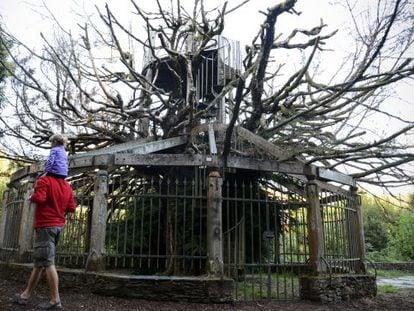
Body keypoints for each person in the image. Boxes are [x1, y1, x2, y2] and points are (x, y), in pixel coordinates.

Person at [13, 173, 76, 309]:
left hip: (45, 226)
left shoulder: (44, 180)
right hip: (58, 227)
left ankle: (55, 300)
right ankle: (25, 295)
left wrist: (31, 195)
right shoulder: (67, 185)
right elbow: (71, 208)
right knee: (40, 262)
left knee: (47, 263)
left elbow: (40, 198)